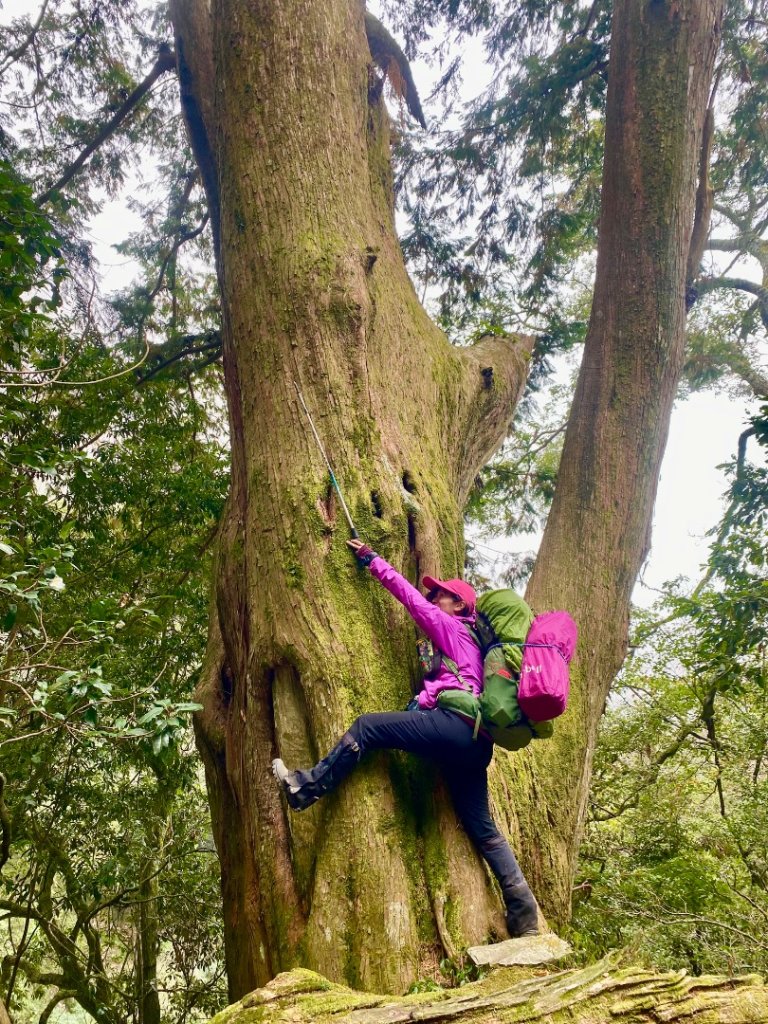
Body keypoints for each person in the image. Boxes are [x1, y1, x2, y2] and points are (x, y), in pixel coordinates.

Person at [271, 539, 540, 938]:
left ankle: (305, 787)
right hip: (477, 744)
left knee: (369, 727)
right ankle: (524, 913)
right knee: (482, 828)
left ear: (461, 606)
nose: (434, 598)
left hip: (455, 726)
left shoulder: (452, 628)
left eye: (442, 595)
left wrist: (372, 559)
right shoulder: (475, 649)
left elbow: (411, 600)